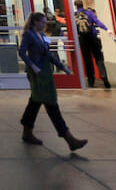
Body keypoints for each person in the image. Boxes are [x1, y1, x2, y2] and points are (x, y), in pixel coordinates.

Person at [18, 11, 87, 151]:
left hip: (45, 72)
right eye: (42, 22)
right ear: (35, 22)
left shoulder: (43, 36)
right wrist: (32, 66)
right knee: (51, 103)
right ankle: (68, 137)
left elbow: (48, 54)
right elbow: (21, 51)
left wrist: (63, 67)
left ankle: (27, 130)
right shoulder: (29, 35)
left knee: (35, 102)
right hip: (37, 73)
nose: (45, 25)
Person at [74, 0, 111, 89]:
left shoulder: (74, 15)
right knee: (98, 57)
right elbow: (97, 21)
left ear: (75, 6)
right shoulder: (89, 12)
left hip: (83, 39)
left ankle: (91, 81)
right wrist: (106, 29)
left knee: (87, 60)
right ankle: (104, 77)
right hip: (92, 37)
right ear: (83, 5)